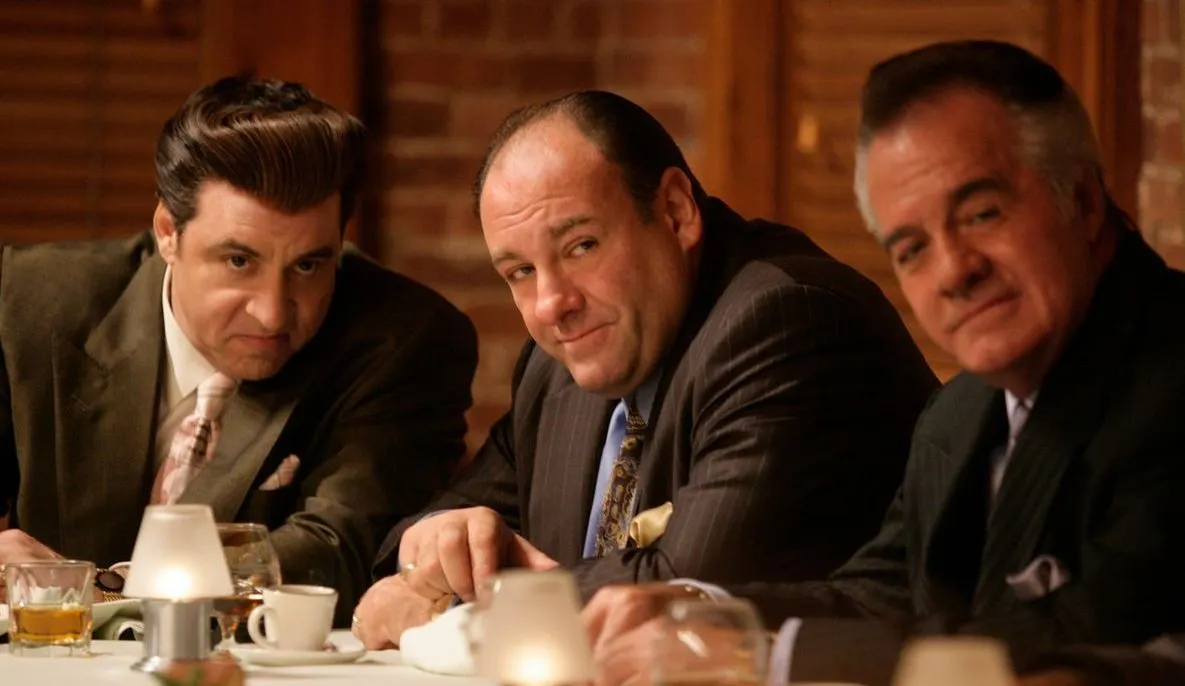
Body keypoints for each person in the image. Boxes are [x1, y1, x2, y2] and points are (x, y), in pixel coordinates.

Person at [583, 40, 1185, 686]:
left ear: (1083, 201)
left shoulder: (1171, 380)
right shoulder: (959, 412)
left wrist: (760, 656)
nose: (953, 271)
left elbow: (1085, 635)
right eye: (912, 248)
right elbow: (877, 595)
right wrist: (701, 611)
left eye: (982, 215)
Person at [350, 89, 939, 648]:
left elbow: (684, 594)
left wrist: (456, 607)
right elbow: (436, 527)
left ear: (677, 213)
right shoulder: (561, 364)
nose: (552, 304)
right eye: (521, 273)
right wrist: (434, 547)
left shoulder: (787, 323)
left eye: (581, 246)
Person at [0, 76, 478, 624]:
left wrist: (117, 587)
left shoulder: (407, 339)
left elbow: (344, 550)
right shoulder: (27, 305)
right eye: (238, 261)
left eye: (308, 265)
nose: (273, 313)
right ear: (167, 231)